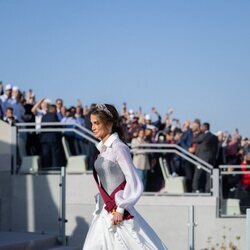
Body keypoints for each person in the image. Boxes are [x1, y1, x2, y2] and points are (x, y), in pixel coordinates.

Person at [83, 104, 167, 250]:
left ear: (109, 123)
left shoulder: (118, 147)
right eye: (92, 123)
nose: (93, 127)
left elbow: (133, 179)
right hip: (105, 210)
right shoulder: (103, 150)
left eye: (97, 123)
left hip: (118, 212)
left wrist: (121, 209)